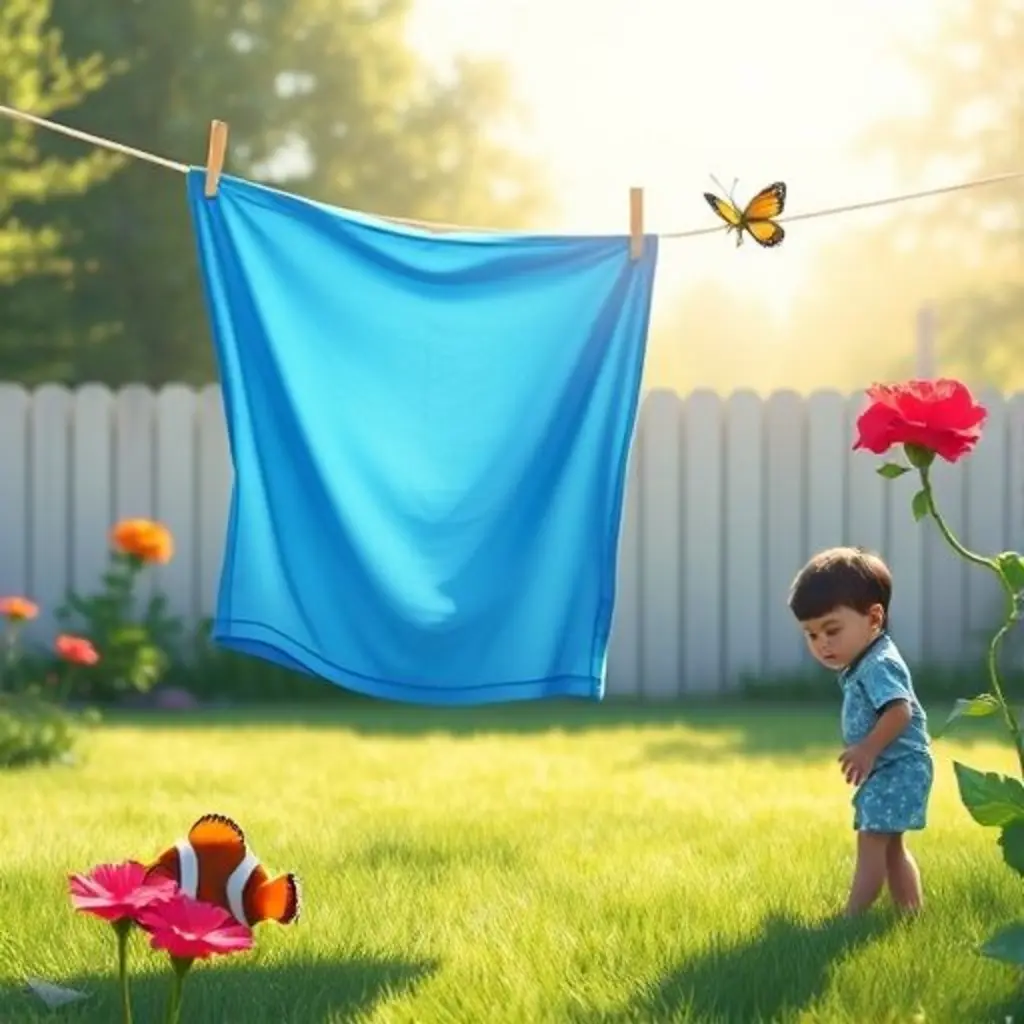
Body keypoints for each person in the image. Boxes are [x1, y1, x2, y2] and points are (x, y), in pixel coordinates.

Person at [788, 546, 933, 916]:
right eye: (811, 634)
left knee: (871, 840)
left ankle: (851, 917)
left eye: (832, 630)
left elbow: (900, 711)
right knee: (891, 846)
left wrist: (868, 749)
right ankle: (911, 913)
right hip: (899, 766)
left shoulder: (878, 665)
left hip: (896, 766)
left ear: (873, 617)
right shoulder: (868, 659)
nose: (822, 644)